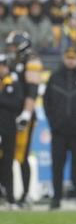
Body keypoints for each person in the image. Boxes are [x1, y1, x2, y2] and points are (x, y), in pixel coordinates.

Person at [43, 47, 76, 210]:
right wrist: (53, 122)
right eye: (68, 57)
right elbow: (47, 101)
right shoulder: (54, 77)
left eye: (74, 57)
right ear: (64, 58)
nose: (71, 60)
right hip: (59, 131)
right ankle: (56, 198)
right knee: (57, 166)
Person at [5, 31, 43, 207]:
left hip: (22, 115)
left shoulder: (31, 60)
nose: (10, 48)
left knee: (22, 155)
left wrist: (26, 113)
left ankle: (26, 194)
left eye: (13, 45)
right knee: (6, 155)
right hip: (8, 113)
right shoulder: (14, 60)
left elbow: (32, 90)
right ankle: (8, 192)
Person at [0, 53, 24, 210]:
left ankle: (10, 198)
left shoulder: (14, 83)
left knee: (8, 163)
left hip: (7, 128)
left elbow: (17, 103)